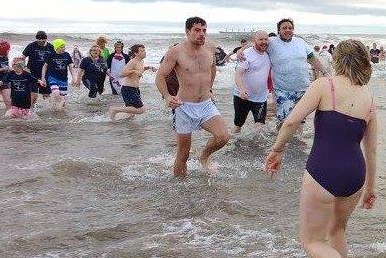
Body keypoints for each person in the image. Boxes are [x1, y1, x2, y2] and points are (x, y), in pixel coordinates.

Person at [264, 39, 378, 258]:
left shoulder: (324, 85)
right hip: (355, 175)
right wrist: (370, 187)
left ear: (338, 59)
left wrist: (277, 149)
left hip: (323, 171)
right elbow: (371, 149)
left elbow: (293, 121)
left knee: (311, 240)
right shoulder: (369, 98)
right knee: (337, 228)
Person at [155, 17, 230, 177]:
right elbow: (160, 75)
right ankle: (180, 190)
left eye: (204, 30)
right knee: (183, 154)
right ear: (187, 31)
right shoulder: (176, 52)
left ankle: (203, 157)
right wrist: (168, 97)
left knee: (223, 137)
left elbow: (212, 67)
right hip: (184, 107)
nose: (202, 34)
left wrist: (210, 88)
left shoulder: (210, 48)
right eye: (197, 30)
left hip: (206, 104)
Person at [266, 18, 326, 127]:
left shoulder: (300, 42)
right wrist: (241, 50)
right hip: (283, 90)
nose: (287, 30)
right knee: (284, 122)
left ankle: (297, 143)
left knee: (300, 120)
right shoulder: (271, 42)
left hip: (303, 89)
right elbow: (255, 45)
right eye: (284, 28)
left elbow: (312, 59)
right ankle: (280, 142)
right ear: (278, 30)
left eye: (290, 28)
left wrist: (324, 72)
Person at [232, 31, 271, 134]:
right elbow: (238, 74)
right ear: (254, 41)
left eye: (266, 39)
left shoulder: (269, 53)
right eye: (260, 39)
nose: (264, 42)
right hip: (242, 96)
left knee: (260, 125)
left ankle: (254, 147)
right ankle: (233, 146)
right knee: (238, 124)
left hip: (260, 98)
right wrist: (242, 89)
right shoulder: (246, 54)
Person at [109, 44, 153, 121]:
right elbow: (121, 74)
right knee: (141, 110)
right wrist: (134, 71)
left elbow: (140, 69)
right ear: (136, 53)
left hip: (134, 89)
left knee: (131, 113)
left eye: (144, 50)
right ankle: (115, 109)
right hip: (128, 89)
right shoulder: (133, 62)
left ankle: (119, 122)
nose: (145, 52)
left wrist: (148, 67)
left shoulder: (141, 61)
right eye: (142, 51)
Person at [41, 39, 76, 111]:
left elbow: (70, 67)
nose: (64, 48)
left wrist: (73, 77)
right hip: (52, 77)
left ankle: (58, 110)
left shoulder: (67, 55)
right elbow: (45, 66)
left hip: (63, 79)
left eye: (64, 47)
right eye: (62, 47)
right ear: (57, 47)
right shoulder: (51, 55)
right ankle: (57, 106)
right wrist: (43, 78)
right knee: (57, 93)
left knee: (63, 99)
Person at [22, 31, 55, 101]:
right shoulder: (31, 46)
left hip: (45, 74)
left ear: (45, 39)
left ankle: (44, 109)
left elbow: (53, 60)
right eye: (38, 40)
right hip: (32, 73)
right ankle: (31, 109)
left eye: (42, 40)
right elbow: (22, 58)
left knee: (46, 95)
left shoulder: (51, 47)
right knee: (34, 94)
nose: (40, 41)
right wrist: (24, 67)